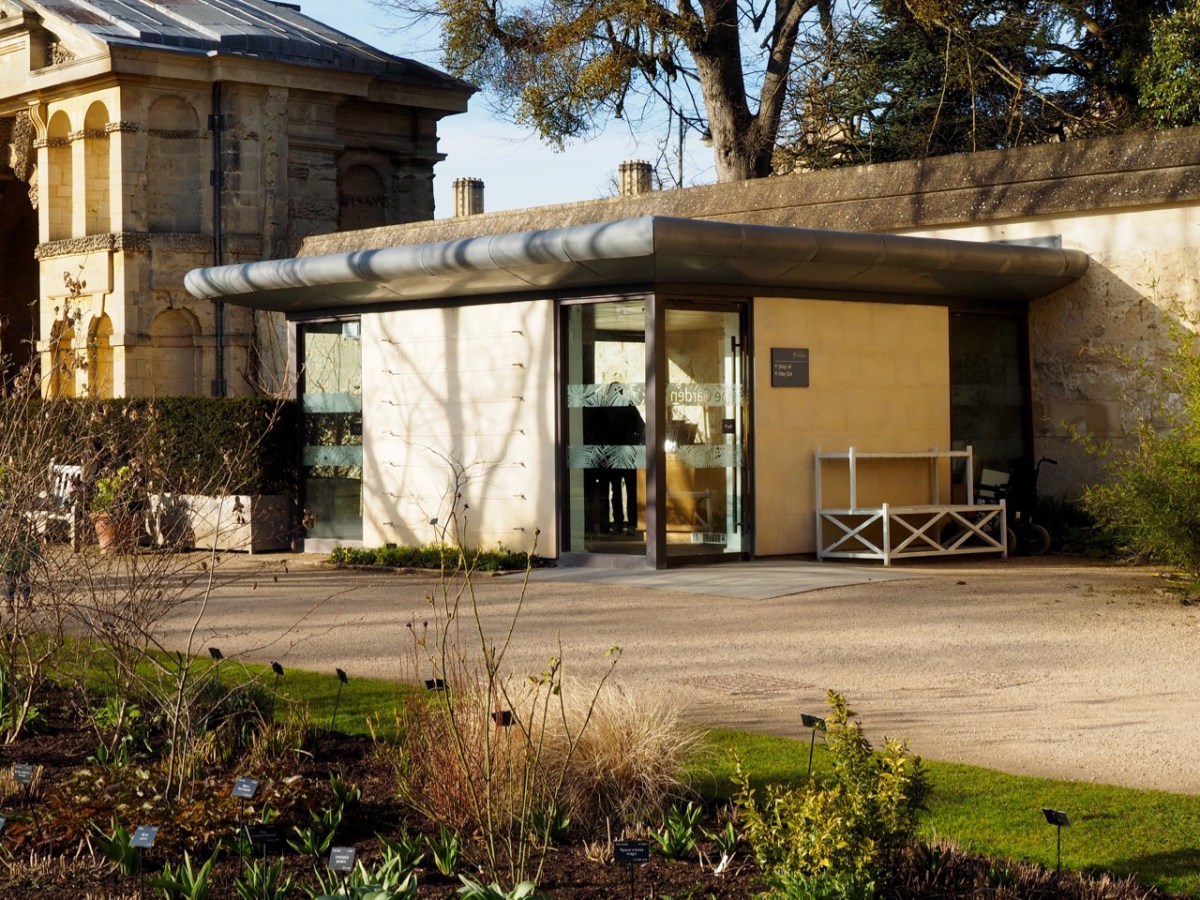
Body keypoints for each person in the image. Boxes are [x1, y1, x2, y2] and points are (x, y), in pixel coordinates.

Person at [2, 527, 39, 609]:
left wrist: (38, 558)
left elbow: (34, 546)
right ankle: (9, 603)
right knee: (10, 585)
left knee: (25, 584)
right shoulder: (4, 535)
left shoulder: (25, 535)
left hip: (21, 565)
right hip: (9, 565)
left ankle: (26, 601)